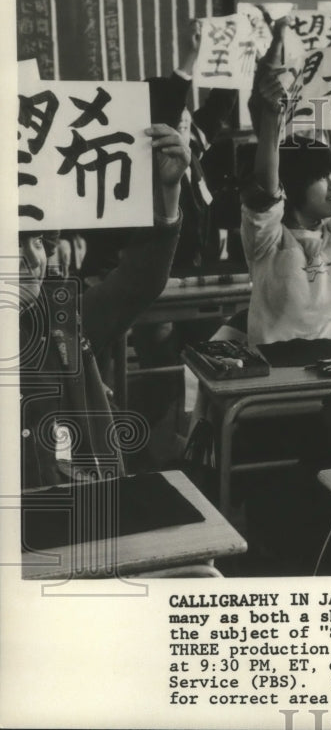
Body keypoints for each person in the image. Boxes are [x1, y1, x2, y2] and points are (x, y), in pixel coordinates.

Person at [20, 124, 188, 488]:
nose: (27, 258)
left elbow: (137, 282)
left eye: (33, 241)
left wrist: (167, 190)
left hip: (87, 512)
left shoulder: (60, 320)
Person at [240, 25, 331, 347]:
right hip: (279, 376)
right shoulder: (267, 239)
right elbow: (268, 190)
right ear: (294, 186)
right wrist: (270, 121)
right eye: (321, 177)